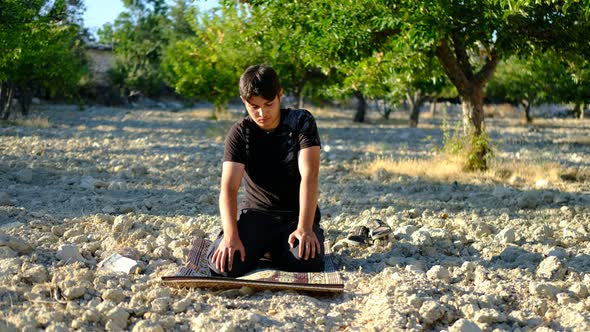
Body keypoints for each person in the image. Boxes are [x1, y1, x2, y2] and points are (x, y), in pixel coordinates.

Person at [206, 64, 325, 277]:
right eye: (254, 106)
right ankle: (267, 247)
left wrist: (305, 228)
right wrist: (231, 236)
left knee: (307, 262)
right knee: (224, 267)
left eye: (269, 104)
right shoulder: (240, 132)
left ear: (280, 95)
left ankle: (274, 249)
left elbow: (310, 176)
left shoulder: (301, 121)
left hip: (294, 216)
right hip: (256, 215)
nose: (262, 113)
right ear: (244, 102)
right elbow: (229, 189)